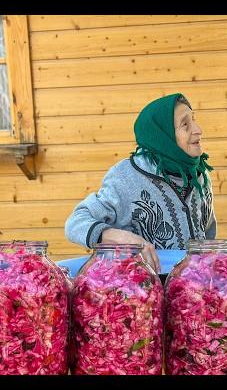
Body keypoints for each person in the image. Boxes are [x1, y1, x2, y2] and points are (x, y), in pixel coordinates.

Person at [65, 93, 216, 273]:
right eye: (185, 125)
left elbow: (208, 232)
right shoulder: (127, 177)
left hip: (191, 291)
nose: (198, 129)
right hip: (141, 292)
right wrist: (119, 237)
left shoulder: (199, 174)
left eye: (194, 120)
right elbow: (75, 223)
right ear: (162, 136)